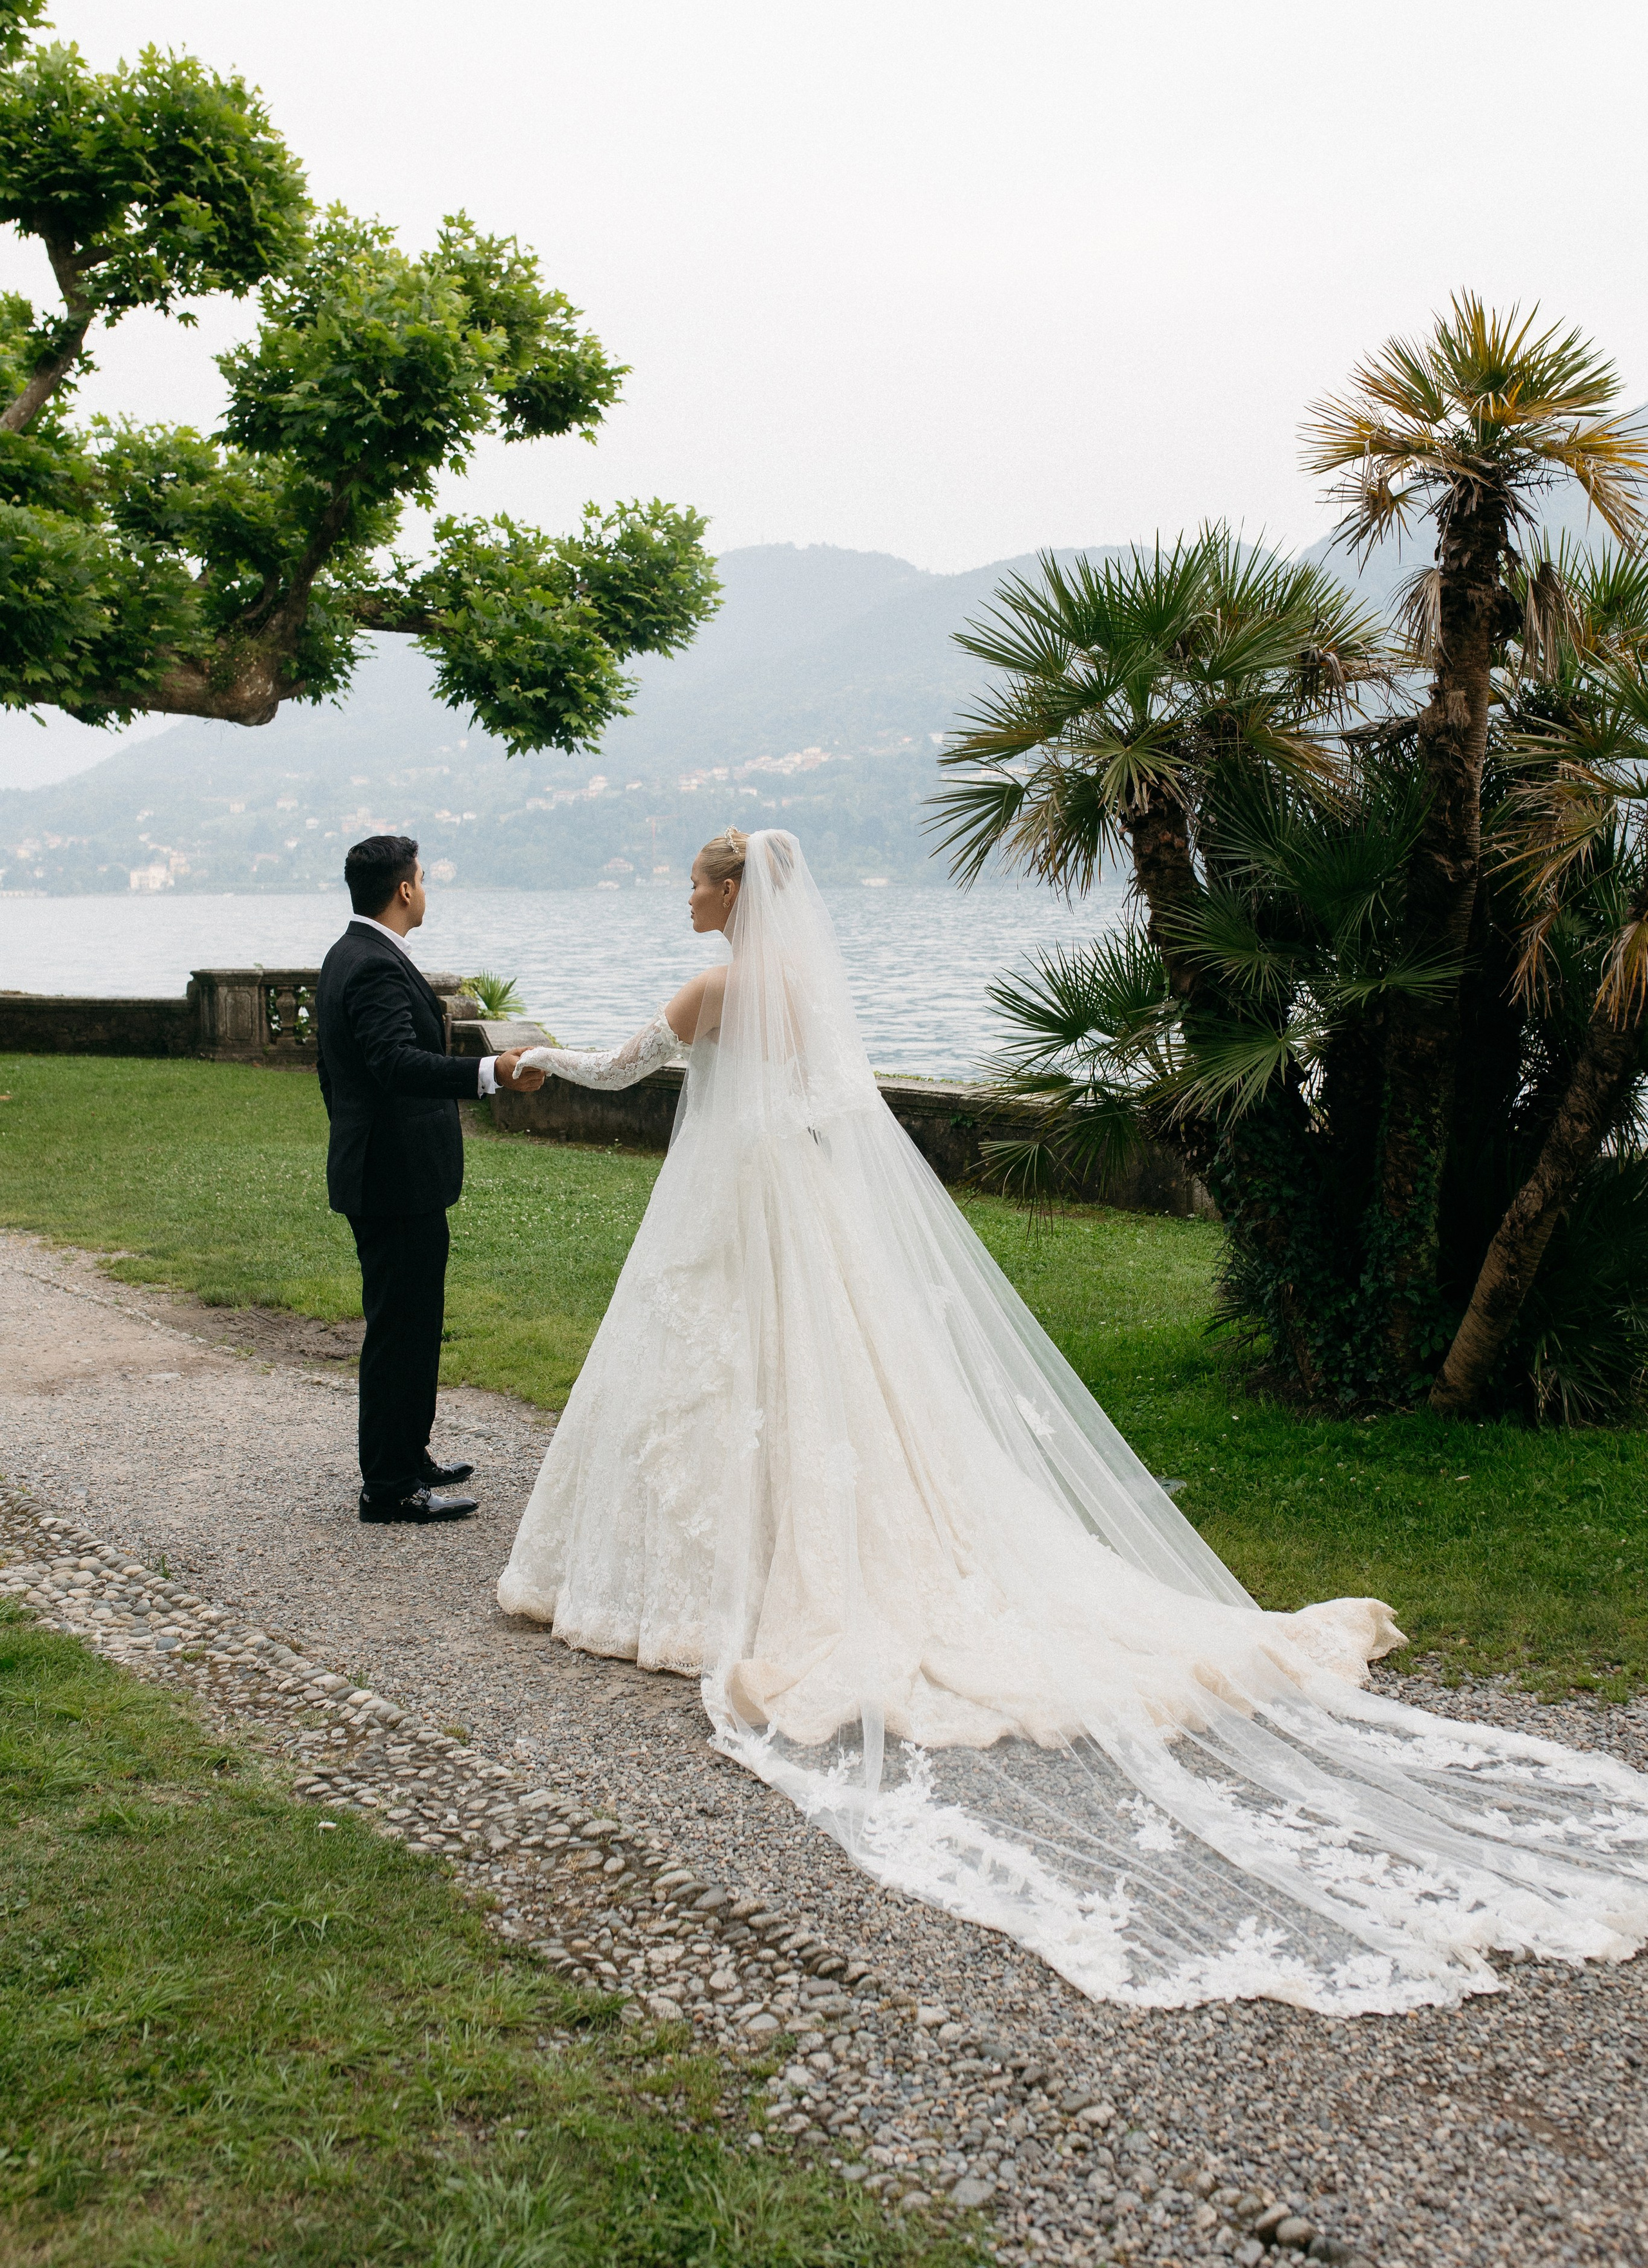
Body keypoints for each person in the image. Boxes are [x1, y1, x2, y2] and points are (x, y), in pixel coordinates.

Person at [496, 826, 1648, 2014]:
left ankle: (715, 1579)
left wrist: (534, 1059)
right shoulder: (805, 986)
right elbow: (836, 1102)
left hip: (739, 1206)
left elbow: (620, 1070)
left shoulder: (717, 989)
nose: (686, 896)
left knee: (735, 1377)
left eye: (696, 881)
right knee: (836, 1386)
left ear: (734, 890)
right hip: (808, 1201)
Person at [317, 834, 545, 1525]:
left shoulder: (351, 954)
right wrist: (490, 1071)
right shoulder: (372, 965)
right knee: (400, 1329)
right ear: (405, 889)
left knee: (414, 1323)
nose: (425, 890)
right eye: (422, 878)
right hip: (392, 1180)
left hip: (390, 1173)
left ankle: (408, 1454)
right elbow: (394, 1063)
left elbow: (341, 1071)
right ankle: (389, 1487)